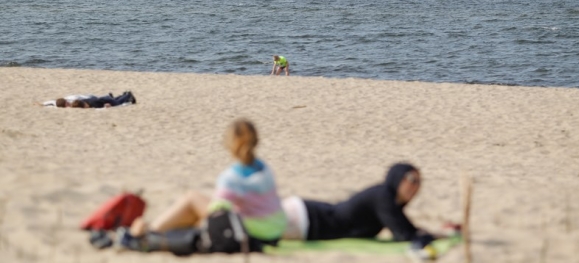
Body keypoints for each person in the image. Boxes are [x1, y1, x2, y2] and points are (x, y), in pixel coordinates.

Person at [117, 119, 287, 253]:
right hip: (273, 231)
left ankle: (143, 233)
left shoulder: (233, 176)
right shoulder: (264, 168)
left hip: (252, 235)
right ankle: (151, 230)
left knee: (192, 199)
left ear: (230, 144)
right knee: (195, 206)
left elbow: (215, 213)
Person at [281, 163, 448, 245]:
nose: (416, 186)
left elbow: (406, 229)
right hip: (306, 219)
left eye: (419, 181)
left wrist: (433, 234)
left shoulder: (386, 199)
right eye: (411, 179)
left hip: (307, 221)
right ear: (397, 178)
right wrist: (433, 237)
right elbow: (403, 235)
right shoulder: (383, 197)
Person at [46, 91, 136, 108]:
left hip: (104, 99)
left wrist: (106, 106)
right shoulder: (75, 104)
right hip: (104, 99)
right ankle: (123, 95)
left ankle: (128, 95)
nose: (68, 104)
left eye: (67, 103)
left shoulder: (91, 103)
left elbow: (101, 104)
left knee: (117, 103)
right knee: (114, 100)